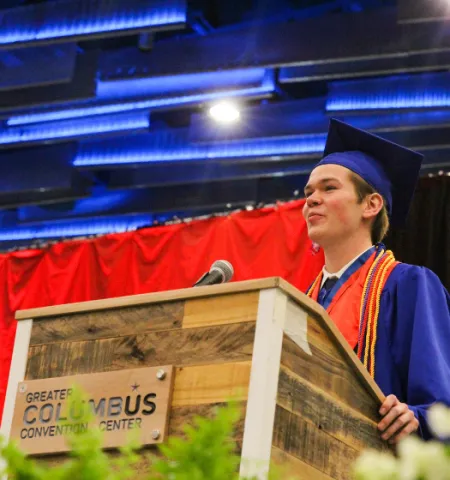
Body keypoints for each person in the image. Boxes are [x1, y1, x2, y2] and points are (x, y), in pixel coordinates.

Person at [302, 118, 450, 443]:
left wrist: (417, 418)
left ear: (371, 204)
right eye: (309, 192)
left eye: (329, 188)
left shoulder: (407, 285)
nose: (311, 199)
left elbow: (440, 406)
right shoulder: (301, 304)